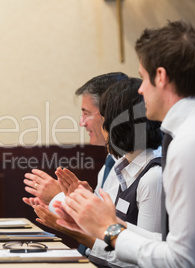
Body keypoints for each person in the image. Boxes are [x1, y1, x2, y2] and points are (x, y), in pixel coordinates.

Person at [56, 20, 195, 267]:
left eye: (143, 78)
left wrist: (110, 230)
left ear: (160, 77)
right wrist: (110, 225)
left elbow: (185, 261)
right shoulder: (192, 130)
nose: (140, 91)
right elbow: (172, 245)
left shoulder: (191, 142)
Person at [37, 77, 163, 267]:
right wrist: (84, 210)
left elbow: (143, 260)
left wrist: (74, 229)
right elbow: (117, 234)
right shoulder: (125, 170)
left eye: (104, 118)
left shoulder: (152, 176)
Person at [22, 72, 128, 211]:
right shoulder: (111, 160)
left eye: (86, 114)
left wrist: (59, 197)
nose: (82, 123)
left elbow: (111, 225)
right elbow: (99, 220)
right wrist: (63, 202)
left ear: (109, 113)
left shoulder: (135, 163)